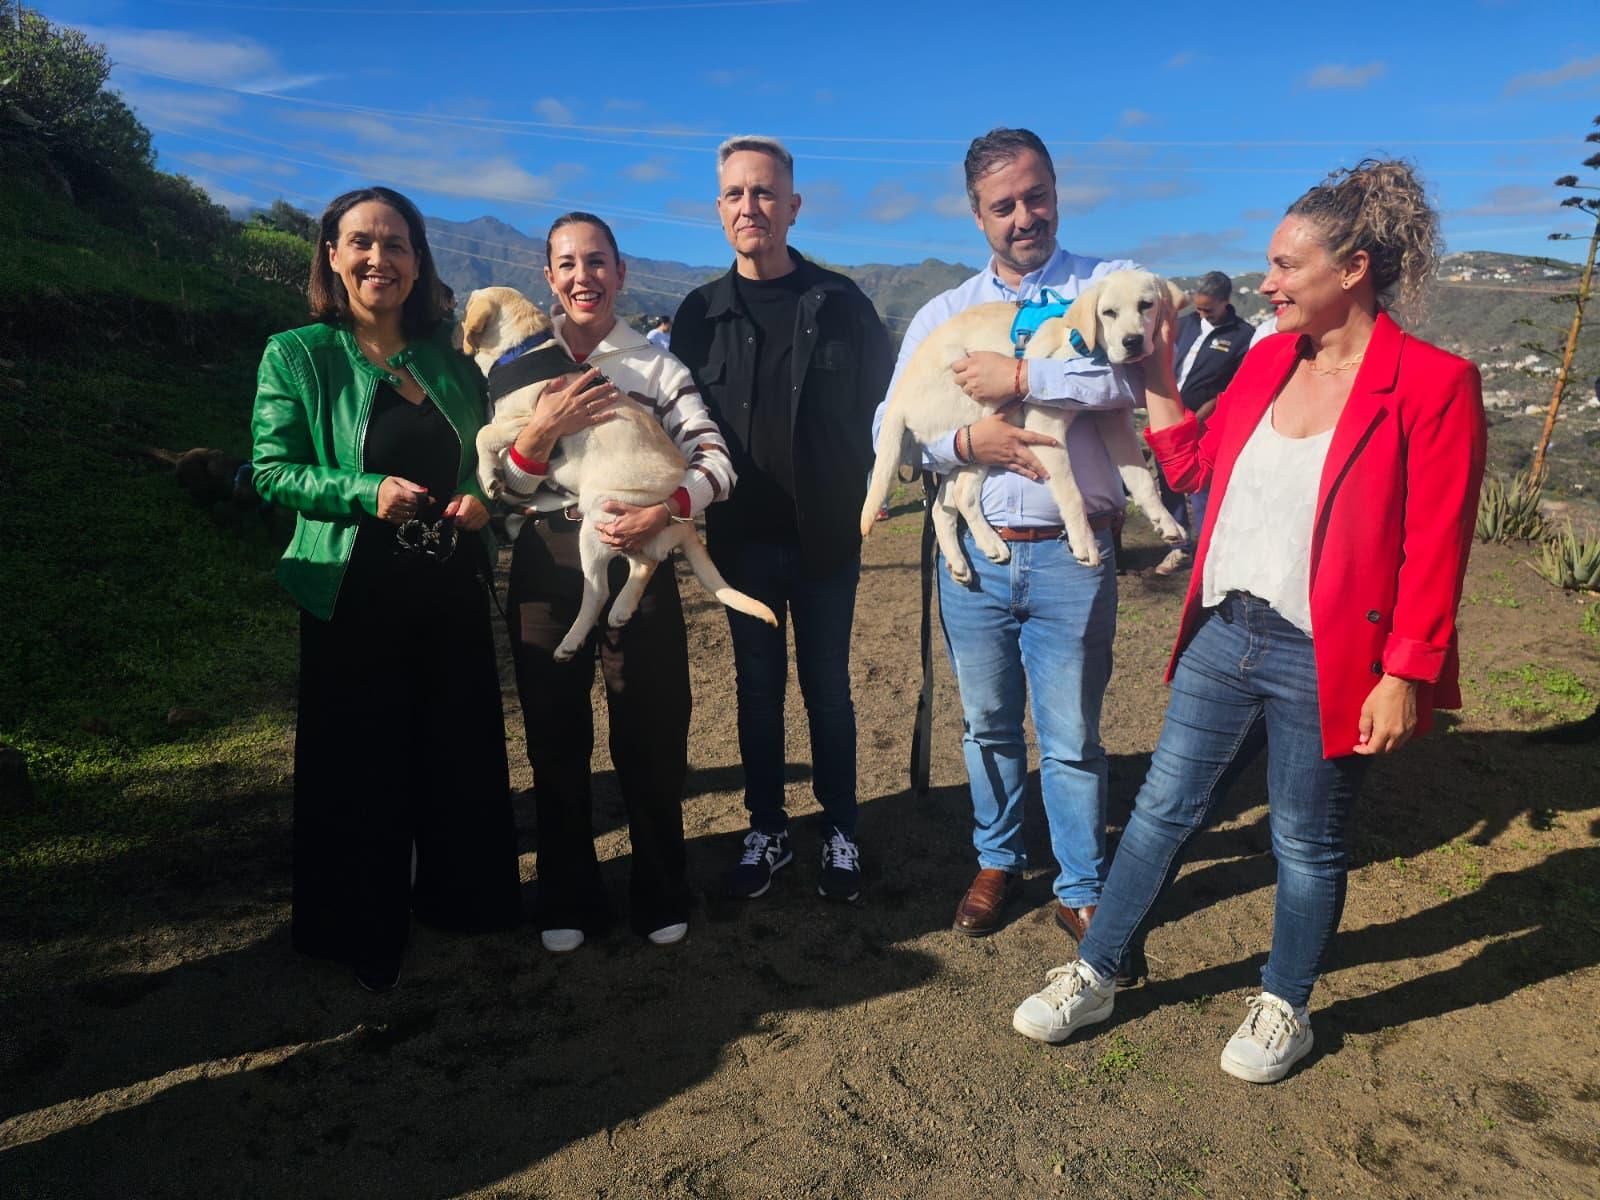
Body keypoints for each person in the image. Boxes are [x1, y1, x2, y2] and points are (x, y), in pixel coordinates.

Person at [1011, 159, 1487, 1085]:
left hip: (1332, 652)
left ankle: (1285, 1001)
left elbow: (1439, 545)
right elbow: (1190, 467)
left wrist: (1407, 671)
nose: (1265, 283)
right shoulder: (1270, 357)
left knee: (1306, 841)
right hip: (1228, 631)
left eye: (1283, 266)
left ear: (1351, 270)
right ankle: (1098, 969)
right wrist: (1153, 370)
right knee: (1159, 812)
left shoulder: (1432, 385)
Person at [876, 128, 1142, 946]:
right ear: (976, 215)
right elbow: (894, 423)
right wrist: (964, 445)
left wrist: (1024, 377)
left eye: (1037, 197)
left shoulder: (1107, 287)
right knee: (987, 722)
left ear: (1057, 192)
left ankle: (1081, 880)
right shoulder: (945, 313)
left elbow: (1131, 375)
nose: (1024, 216)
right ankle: (996, 858)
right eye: (1004, 206)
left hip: (1073, 548)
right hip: (980, 561)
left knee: (1070, 732)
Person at [251, 186, 520, 993]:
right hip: (352, 590)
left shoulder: (450, 354)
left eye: (397, 244)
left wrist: (483, 491)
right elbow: (271, 470)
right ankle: (359, 927)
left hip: (448, 585)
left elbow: (487, 447)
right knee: (358, 761)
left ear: (418, 259)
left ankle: (464, 903)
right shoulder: (297, 354)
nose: (380, 259)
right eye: (361, 243)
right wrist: (363, 492)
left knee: (458, 747)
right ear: (331, 255)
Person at [496, 212, 736, 953]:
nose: (582, 277)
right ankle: (568, 893)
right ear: (548, 278)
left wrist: (664, 510)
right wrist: (536, 436)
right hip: (545, 556)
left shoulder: (658, 366)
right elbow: (503, 489)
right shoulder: (518, 366)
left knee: (652, 728)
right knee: (555, 737)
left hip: (641, 558)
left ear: (620, 273)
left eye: (597, 262)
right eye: (566, 264)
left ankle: (662, 884)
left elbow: (716, 464)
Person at [672, 136, 892, 903]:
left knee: (828, 691)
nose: (749, 207)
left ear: (793, 207)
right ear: (719, 209)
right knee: (757, 692)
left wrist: (880, 491)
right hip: (741, 546)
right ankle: (765, 829)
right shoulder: (698, 314)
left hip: (825, 541)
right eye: (735, 194)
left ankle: (840, 832)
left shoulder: (841, 305)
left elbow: (885, 413)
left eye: (764, 193)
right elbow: (676, 425)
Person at [1153, 271, 1255, 576]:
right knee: (1170, 485)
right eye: (1198, 308)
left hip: (1203, 423)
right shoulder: (1183, 325)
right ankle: (1178, 548)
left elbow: (1232, 388)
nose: (1202, 314)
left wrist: (1197, 419)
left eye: (1208, 309)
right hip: (1168, 420)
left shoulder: (1242, 336)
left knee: (1202, 490)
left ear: (1225, 303)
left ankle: (1211, 552)